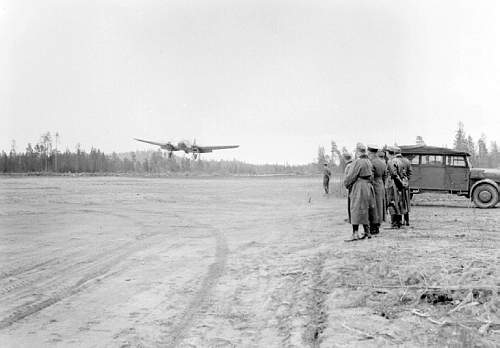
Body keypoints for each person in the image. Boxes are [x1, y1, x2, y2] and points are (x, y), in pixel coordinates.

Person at [343, 143, 376, 240]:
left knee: (355, 209)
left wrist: (347, 184)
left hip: (359, 187)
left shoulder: (358, 162)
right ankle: (367, 232)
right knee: (365, 209)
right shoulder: (368, 161)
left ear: (357, 151)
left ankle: (355, 234)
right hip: (367, 187)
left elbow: (351, 176)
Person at [367, 145, 387, 235]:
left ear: (370, 152)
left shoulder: (370, 162)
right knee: (380, 206)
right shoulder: (382, 162)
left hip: (373, 185)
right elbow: (385, 176)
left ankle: (373, 227)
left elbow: (370, 177)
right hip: (381, 184)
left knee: (373, 206)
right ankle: (378, 226)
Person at [386, 146, 404, 228]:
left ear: (388, 153)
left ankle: (394, 223)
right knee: (398, 202)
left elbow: (393, 174)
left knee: (391, 202)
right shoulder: (399, 161)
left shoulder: (390, 161)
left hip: (392, 183)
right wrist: (400, 185)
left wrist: (398, 184)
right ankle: (399, 221)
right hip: (398, 183)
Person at [399, 151, 413, 226]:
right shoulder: (407, 161)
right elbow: (410, 172)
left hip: (398, 184)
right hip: (406, 183)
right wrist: (406, 179)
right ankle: (407, 220)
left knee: (399, 201)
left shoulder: (395, 161)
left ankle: (400, 220)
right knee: (406, 202)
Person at [342, 152, 354, 222]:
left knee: (350, 202)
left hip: (350, 186)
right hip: (354, 186)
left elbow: (347, 178)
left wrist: (347, 185)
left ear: (345, 159)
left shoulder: (348, 166)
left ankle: (351, 218)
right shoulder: (353, 164)